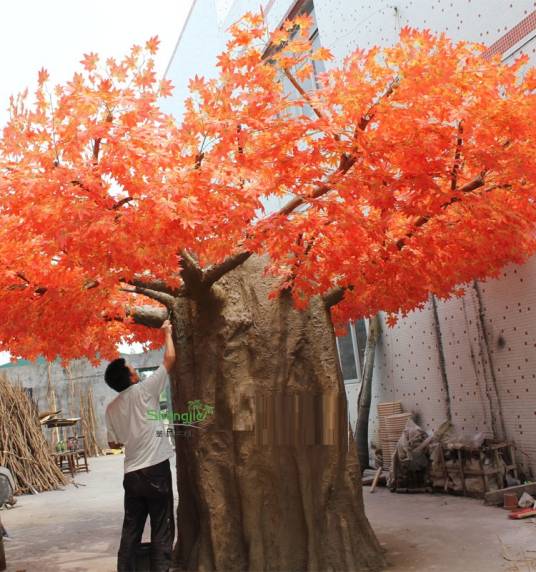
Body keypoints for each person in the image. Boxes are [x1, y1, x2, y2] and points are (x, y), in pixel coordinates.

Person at [104, 319, 176, 572]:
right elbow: (169, 360)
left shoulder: (110, 409)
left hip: (132, 474)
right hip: (156, 469)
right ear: (131, 376)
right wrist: (167, 332)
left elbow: (114, 442)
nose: (135, 369)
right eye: (133, 367)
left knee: (131, 528)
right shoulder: (145, 390)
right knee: (161, 526)